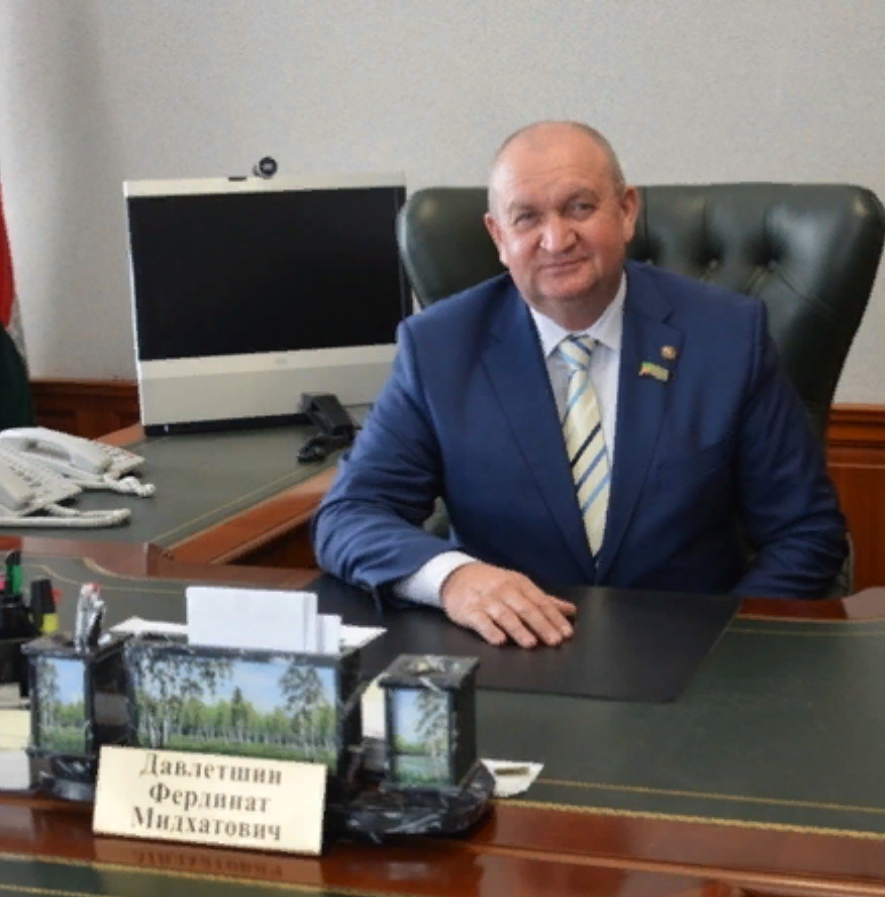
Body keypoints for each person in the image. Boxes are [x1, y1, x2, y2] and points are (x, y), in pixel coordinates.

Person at [314, 121, 847, 648]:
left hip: (692, 655)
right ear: (498, 237)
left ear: (627, 211)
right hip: (513, 656)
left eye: (579, 207)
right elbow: (350, 515)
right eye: (527, 217)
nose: (556, 240)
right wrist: (455, 579)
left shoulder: (727, 335)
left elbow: (805, 533)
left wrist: (732, 650)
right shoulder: (439, 347)